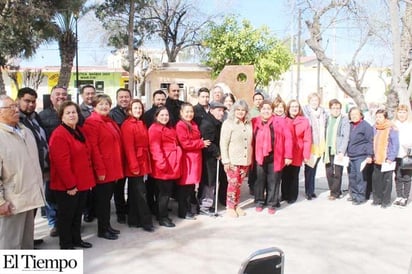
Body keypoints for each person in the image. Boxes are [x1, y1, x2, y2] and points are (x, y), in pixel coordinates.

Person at [49, 101, 95, 249]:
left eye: (74, 112)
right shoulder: (59, 135)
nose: (71, 115)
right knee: (67, 216)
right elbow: (62, 164)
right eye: (68, 113)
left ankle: (76, 239)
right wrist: (70, 185)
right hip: (67, 185)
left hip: (82, 182)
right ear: (61, 116)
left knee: (77, 214)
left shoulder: (78, 130)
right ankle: (66, 243)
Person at [0, 95, 44, 249]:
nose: (16, 109)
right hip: (11, 201)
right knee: (10, 244)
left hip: (29, 196)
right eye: (10, 107)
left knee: (26, 243)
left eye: (15, 106)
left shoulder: (25, 131)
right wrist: (1, 202)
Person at [83, 94, 124, 240]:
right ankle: (102, 229)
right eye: (101, 104)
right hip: (103, 169)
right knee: (102, 201)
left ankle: (107, 226)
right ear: (94, 106)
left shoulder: (108, 121)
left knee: (107, 200)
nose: (104, 106)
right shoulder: (92, 123)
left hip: (112, 167)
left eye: (107, 104)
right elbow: (93, 149)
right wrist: (100, 170)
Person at [17, 87, 49, 246]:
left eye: (33, 101)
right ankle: (23, 242)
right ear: (19, 100)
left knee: (34, 207)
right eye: (27, 101)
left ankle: (28, 237)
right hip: (26, 171)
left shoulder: (35, 117)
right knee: (26, 208)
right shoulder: (17, 120)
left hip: (40, 169)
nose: (30, 104)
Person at [252, 100, 292, 214]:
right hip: (259, 156)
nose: (266, 111)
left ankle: (272, 203)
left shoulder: (280, 121)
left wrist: (288, 155)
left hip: (275, 156)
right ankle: (259, 201)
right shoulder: (254, 121)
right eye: (263, 109)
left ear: (272, 110)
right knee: (259, 180)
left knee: (273, 181)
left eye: (268, 109)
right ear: (260, 110)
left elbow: (288, 139)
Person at [39, 85, 68, 237]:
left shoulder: (71, 112)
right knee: (50, 195)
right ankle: (54, 223)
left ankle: (68, 222)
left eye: (64, 94)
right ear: (51, 97)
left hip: (68, 163)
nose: (61, 97)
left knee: (68, 194)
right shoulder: (42, 116)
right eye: (57, 94)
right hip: (50, 164)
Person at [121, 99, 154, 232]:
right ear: (130, 110)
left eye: (140, 108)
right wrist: (134, 166)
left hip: (143, 160)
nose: (138, 110)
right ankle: (146, 221)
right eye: (135, 108)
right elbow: (129, 148)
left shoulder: (141, 122)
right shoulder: (127, 125)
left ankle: (134, 219)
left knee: (135, 193)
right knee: (141, 193)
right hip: (135, 163)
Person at [148, 107, 182, 227]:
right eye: (161, 115)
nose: (164, 117)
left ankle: (160, 213)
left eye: (166, 115)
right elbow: (155, 148)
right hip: (163, 166)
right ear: (156, 116)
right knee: (164, 193)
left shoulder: (169, 128)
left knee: (164, 192)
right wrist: (162, 164)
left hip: (171, 164)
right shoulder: (154, 129)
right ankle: (163, 218)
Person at [176, 103, 210, 220]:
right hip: (187, 160)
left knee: (190, 187)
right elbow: (185, 144)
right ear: (181, 113)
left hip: (195, 158)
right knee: (185, 187)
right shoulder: (181, 125)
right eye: (187, 112)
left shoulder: (193, 123)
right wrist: (201, 143)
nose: (189, 114)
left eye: (191, 111)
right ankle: (183, 211)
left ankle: (189, 208)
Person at [220, 99, 253, 217]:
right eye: (238, 110)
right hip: (232, 160)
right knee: (232, 184)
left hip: (245, 160)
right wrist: (226, 161)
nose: (240, 112)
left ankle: (236, 205)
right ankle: (230, 206)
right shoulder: (228, 123)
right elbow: (223, 143)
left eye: (243, 110)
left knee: (239, 185)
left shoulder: (249, 123)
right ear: (234, 110)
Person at [198, 101, 228, 215]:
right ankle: (204, 206)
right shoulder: (208, 123)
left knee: (211, 181)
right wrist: (217, 153)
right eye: (219, 110)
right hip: (209, 159)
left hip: (213, 158)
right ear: (211, 110)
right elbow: (208, 142)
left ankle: (207, 204)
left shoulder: (215, 122)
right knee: (209, 182)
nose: (221, 113)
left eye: (223, 111)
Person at [282, 100, 312, 203]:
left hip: (298, 151)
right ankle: (284, 194)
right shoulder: (284, 120)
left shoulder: (304, 121)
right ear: (288, 108)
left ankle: (292, 196)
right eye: (292, 107)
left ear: (299, 109)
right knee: (285, 174)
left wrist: (306, 155)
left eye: (296, 107)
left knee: (294, 175)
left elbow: (307, 139)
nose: (294, 109)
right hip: (285, 151)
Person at [142, 90, 167, 215]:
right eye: (158, 99)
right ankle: (151, 206)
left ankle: (159, 207)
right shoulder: (147, 115)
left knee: (160, 186)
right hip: (152, 154)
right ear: (153, 100)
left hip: (164, 155)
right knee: (151, 184)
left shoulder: (166, 113)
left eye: (163, 99)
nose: (161, 102)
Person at [109, 88, 132, 224]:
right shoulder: (112, 114)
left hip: (133, 155)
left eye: (126, 97)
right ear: (117, 98)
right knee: (119, 187)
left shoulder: (133, 112)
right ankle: (120, 212)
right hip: (119, 156)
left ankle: (129, 208)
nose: (124, 99)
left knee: (134, 186)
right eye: (121, 97)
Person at [302, 92, 327, 200]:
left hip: (320, 144)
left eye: (316, 100)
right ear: (309, 101)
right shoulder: (305, 112)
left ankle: (311, 190)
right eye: (312, 100)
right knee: (309, 169)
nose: (314, 102)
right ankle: (308, 191)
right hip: (310, 144)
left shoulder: (323, 113)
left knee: (314, 168)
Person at [372, 109, 399, 208]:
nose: (378, 119)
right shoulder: (375, 127)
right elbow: (372, 141)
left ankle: (385, 201)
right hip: (377, 158)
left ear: (385, 118)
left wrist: (391, 157)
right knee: (376, 180)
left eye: (380, 117)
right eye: (377, 117)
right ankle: (377, 199)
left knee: (386, 181)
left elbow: (395, 144)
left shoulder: (391, 128)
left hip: (387, 159)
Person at [347, 107, 373, 205]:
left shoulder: (366, 126)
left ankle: (360, 197)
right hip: (350, 156)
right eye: (352, 114)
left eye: (356, 114)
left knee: (360, 177)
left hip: (361, 156)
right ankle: (354, 195)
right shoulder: (349, 125)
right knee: (352, 177)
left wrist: (369, 155)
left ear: (361, 115)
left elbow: (370, 141)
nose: (353, 116)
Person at [324, 99, 350, 200]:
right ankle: (334, 190)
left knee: (338, 172)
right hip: (328, 149)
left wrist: (341, 152)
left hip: (338, 150)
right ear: (330, 109)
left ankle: (334, 193)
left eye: (338, 108)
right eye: (333, 108)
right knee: (329, 172)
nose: (335, 110)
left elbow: (345, 136)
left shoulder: (344, 120)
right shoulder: (327, 119)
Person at [78, 84, 96, 222]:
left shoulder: (99, 108)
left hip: (96, 151)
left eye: (92, 93)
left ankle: (93, 210)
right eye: (87, 94)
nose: (90, 96)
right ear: (82, 95)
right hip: (84, 151)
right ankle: (87, 211)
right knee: (85, 187)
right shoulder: (78, 111)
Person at [394, 104, 412, 206]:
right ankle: (399, 196)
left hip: (407, 154)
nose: (401, 114)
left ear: (407, 113)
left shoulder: (410, 124)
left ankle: (405, 197)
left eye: (404, 112)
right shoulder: (394, 124)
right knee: (397, 176)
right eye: (400, 112)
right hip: (396, 154)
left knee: (407, 176)